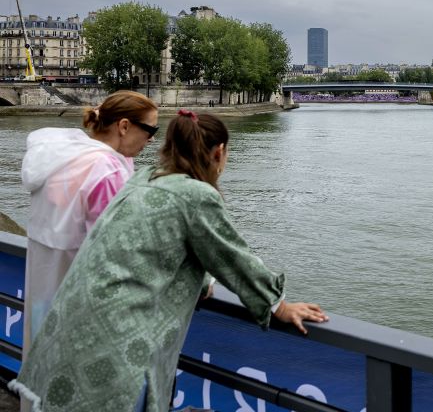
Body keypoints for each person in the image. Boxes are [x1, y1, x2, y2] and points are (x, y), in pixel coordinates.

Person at [9, 110, 328, 412]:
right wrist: (278, 305)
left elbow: (156, 241)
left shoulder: (145, 178)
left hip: (69, 325)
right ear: (218, 153)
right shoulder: (196, 195)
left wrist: (202, 281)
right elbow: (231, 255)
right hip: (116, 335)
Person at [20, 90, 159, 350]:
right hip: (82, 303)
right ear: (124, 126)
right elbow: (117, 248)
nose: (151, 140)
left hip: (44, 288)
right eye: (151, 130)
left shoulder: (64, 159)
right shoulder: (107, 172)